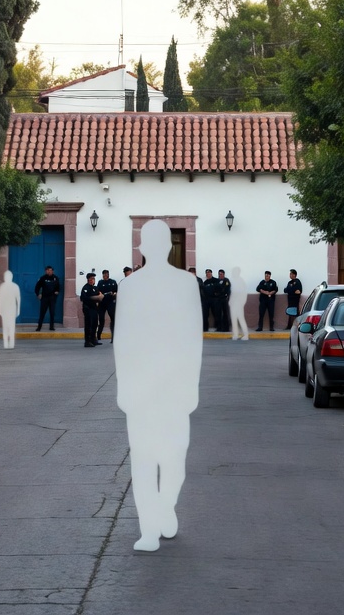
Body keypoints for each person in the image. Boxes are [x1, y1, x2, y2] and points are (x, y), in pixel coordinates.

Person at [113, 220, 203, 552]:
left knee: (175, 460)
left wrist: (192, 386)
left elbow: (194, 337)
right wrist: (122, 385)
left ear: (167, 247)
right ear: (142, 248)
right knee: (143, 460)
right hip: (140, 387)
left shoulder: (186, 284)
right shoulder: (129, 286)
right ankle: (149, 530)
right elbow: (121, 338)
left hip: (174, 386)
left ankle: (166, 506)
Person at [0, 270, 21, 349]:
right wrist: (0, 309)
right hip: (4, 309)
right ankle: (5, 344)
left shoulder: (15, 286)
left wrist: (18, 310)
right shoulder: (2, 286)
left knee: (11, 327)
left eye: (8, 276)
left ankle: (11, 343)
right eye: (5, 276)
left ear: (11, 277)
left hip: (12, 309)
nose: (7, 277)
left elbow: (18, 299)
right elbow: (0, 299)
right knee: (5, 327)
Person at [80, 272, 103, 347]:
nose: (93, 280)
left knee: (95, 324)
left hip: (94, 308)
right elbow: (83, 298)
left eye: (94, 279)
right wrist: (94, 298)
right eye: (92, 278)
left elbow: (99, 295)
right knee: (88, 325)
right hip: (88, 308)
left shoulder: (95, 288)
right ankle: (87, 341)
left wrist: (99, 297)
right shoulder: (86, 288)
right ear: (88, 279)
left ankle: (93, 339)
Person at [34, 265, 60, 331]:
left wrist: (57, 291)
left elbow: (58, 287)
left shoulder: (55, 278)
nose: (50, 271)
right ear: (46, 271)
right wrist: (38, 294)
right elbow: (37, 287)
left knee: (52, 313)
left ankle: (51, 327)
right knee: (42, 313)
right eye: (48, 270)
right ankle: (39, 327)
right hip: (45, 298)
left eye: (51, 270)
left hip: (52, 298)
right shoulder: (42, 278)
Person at [228, 267, 250, 340]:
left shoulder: (241, 281)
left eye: (236, 271)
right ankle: (235, 334)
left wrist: (242, 302)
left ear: (238, 272)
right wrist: (230, 302)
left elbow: (244, 293)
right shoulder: (231, 280)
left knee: (241, 318)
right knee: (233, 319)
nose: (234, 273)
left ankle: (246, 335)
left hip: (239, 303)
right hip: (232, 303)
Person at [96, 268, 118, 341]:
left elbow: (116, 291)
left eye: (106, 274)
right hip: (102, 303)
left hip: (110, 303)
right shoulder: (100, 282)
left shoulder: (113, 282)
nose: (105, 275)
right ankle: (98, 335)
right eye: (104, 274)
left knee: (113, 318)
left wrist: (114, 294)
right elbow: (98, 291)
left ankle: (113, 336)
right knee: (101, 319)